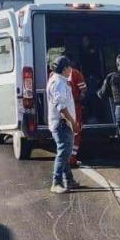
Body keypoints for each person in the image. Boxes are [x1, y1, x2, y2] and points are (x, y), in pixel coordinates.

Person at [46, 56, 82, 194]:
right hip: (62, 123)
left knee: (66, 153)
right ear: (65, 68)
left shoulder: (59, 80)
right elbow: (61, 106)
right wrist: (72, 122)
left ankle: (69, 180)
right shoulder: (58, 83)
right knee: (63, 152)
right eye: (69, 67)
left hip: (62, 122)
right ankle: (56, 182)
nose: (71, 70)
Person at [67, 62, 87, 166]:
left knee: (63, 133)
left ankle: (64, 157)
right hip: (74, 106)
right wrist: (80, 100)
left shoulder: (52, 75)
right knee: (76, 131)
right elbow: (83, 90)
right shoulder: (76, 73)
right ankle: (72, 157)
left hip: (59, 109)